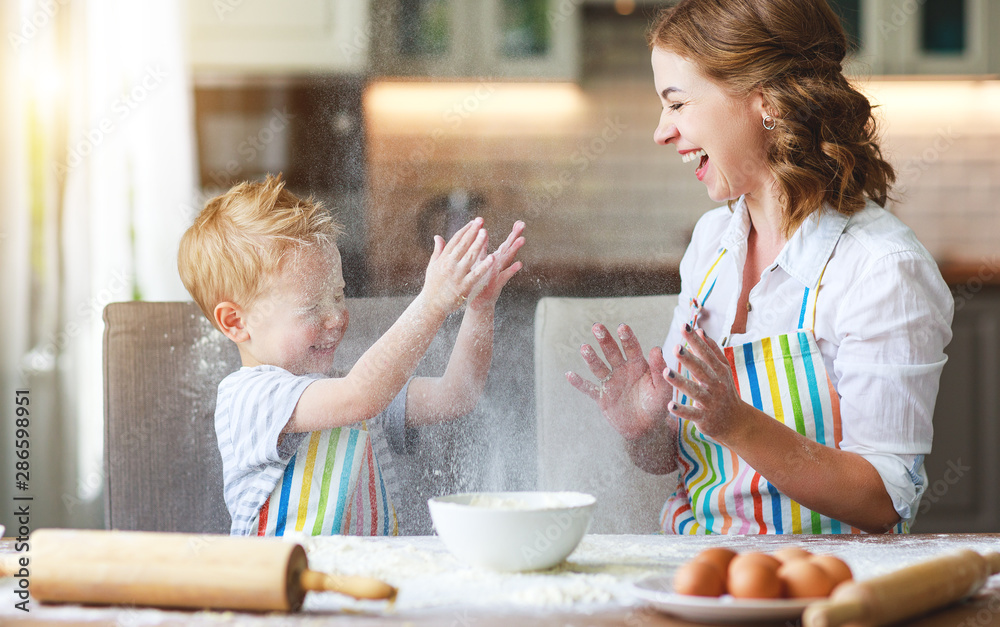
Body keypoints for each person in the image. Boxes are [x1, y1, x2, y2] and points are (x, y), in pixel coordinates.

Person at [567, 0, 953, 535]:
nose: (661, 131)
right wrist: (646, 431)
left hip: (822, 593)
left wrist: (738, 423)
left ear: (765, 100)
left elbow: (882, 498)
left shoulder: (881, 268)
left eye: (677, 103)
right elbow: (690, 460)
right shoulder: (711, 245)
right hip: (694, 579)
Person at [178, 175, 524, 537]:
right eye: (311, 307)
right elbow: (360, 395)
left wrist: (480, 308)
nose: (336, 318)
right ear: (235, 321)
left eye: (339, 295)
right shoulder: (249, 398)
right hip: (286, 586)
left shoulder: (347, 389)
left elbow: (458, 395)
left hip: (362, 583)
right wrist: (433, 302)